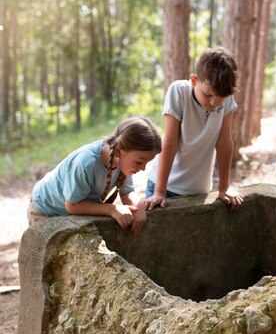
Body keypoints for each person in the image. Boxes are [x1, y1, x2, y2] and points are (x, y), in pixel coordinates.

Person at [144, 46, 244, 210]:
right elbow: (169, 142)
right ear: (194, 80)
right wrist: (159, 191)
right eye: (208, 95)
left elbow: (224, 141)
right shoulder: (179, 92)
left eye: (221, 98)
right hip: (164, 187)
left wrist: (224, 187)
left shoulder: (226, 98)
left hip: (199, 190)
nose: (214, 103)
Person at [28, 116, 161, 235]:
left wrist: (139, 207)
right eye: (139, 162)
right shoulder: (86, 163)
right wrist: (112, 209)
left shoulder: (122, 163)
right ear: (120, 151)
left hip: (70, 212)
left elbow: (127, 192)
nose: (143, 169)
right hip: (46, 210)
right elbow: (72, 205)